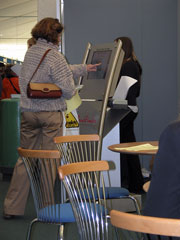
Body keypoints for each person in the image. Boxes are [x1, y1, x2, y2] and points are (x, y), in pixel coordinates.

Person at [3, 17, 100, 219]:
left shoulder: (31, 53)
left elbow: (48, 74)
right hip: (49, 115)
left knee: (25, 160)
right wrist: (72, 89)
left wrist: (82, 68)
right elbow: (67, 88)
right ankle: (48, 207)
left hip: (29, 113)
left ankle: (12, 207)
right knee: (48, 162)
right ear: (55, 35)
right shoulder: (55, 57)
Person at [114, 36, 144, 194]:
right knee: (129, 148)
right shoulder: (132, 65)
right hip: (128, 110)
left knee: (126, 149)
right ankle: (135, 184)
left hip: (126, 111)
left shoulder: (128, 66)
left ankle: (132, 183)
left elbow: (126, 92)